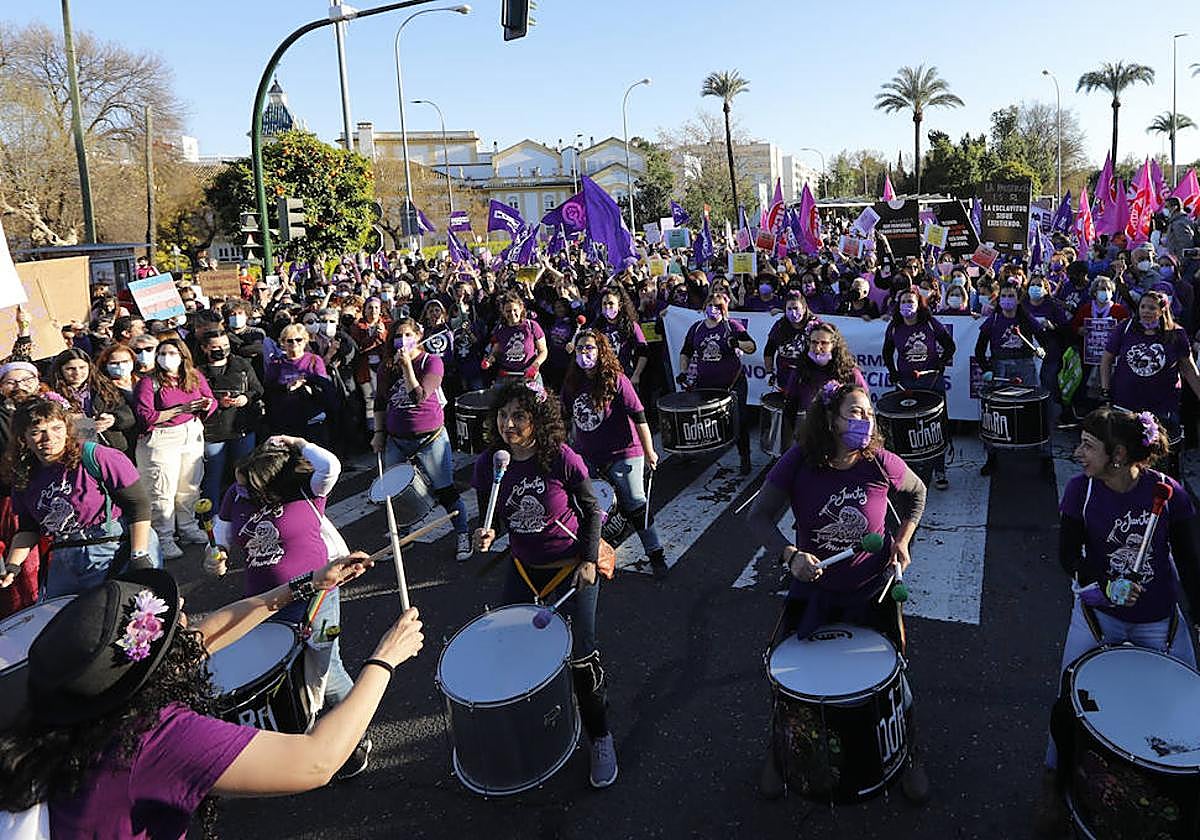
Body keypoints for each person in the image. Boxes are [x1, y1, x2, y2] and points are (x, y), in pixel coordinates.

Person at [0, 560, 423, 836]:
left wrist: (308, 585)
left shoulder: (81, 709)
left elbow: (204, 637)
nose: (184, 611)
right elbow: (317, 761)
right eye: (175, 622)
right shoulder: (152, 739)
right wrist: (385, 658)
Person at [748, 382, 928, 803]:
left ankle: (909, 751)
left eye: (868, 414)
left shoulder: (880, 462)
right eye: (854, 413)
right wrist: (790, 555)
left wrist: (903, 539)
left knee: (896, 674)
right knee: (788, 677)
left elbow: (917, 494)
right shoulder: (799, 461)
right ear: (830, 419)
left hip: (873, 591)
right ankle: (779, 751)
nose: (864, 422)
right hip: (816, 591)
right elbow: (758, 518)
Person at [1034, 407, 1200, 834]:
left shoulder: (1169, 494)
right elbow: (1068, 556)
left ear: (1119, 454)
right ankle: (1054, 779)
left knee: (1182, 708)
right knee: (1068, 702)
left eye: (1089, 445)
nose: (1078, 453)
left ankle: (1159, 792)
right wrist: (1105, 584)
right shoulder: (1080, 491)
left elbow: (1191, 565)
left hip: (1157, 622)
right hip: (1097, 618)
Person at [470, 379, 617, 789]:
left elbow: (591, 509)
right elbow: (492, 517)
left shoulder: (560, 458)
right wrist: (485, 533)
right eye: (503, 415)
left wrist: (589, 560)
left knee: (581, 657)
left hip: (570, 568)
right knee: (515, 651)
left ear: (538, 419)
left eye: (519, 415)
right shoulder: (490, 464)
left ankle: (600, 735)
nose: (509, 424)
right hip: (523, 569)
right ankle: (543, 727)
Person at [213, 434, 374, 778]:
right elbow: (220, 539)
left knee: (325, 672)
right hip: (265, 603)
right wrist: (215, 558)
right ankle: (309, 734)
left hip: (316, 596)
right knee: (288, 673)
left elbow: (330, 465)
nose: (241, 491)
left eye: (249, 488)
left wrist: (298, 443)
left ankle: (353, 738)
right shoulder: (234, 494)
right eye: (239, 484)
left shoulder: (305, 490)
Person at [0, 396, 158, 598]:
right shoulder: (24, 474)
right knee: (58, 620)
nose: (49, 438)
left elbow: (139, 505)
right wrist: (13, 566)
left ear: (67, 429)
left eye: (56, 428)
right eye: (37, 432)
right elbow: (28, 528)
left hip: (113, 546)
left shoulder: (96, 456)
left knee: (137, 619)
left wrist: (139, 555)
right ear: (24, 438)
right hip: (64, 555)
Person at [562, 330, 666, 578]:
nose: (585, 353)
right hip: (587, 454)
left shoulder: (616, 380)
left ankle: (656, 554)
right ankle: (593, 554)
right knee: (589, 507)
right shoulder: (572, 383)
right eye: (580, 349)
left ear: (601, 352)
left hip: (624, 452)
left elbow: (639, 415)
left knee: (636, 504)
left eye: (590, 348)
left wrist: (650, 451)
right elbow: (567, 419)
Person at [372, 318, 471, 562]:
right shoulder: (387, 366)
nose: (402, 340)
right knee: (395, 492)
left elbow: (418, 396)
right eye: (398, 335)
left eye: (407, 334)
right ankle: (403, 534)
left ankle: (462, 533)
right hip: (397, 438)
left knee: (445, 489)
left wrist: (407, 367)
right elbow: (380, 402)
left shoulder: (431, 362)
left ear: (418, 336)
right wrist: (378, 433)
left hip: (430, 438)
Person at [132, 337, 215, 561]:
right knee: (162, 490)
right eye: (162, 354)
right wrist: (181, 409)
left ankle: (188, 527)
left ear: (183, 356)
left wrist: (206, 405)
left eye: (172, 353)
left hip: (191, 432)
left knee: (189, 485)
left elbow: (210, 399)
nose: (166, 358)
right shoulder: (149, 382)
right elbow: (145, 416)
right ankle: (164, 536)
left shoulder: (194, 376)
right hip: (161, 438)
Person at [1100, 290, 1200, 450]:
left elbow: (1189, 369)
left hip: (1162, 406)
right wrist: (1105, 390)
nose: (1146, 311)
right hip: (1126, 404)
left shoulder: (1176, 334)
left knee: (1159, 454)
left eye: (1152, 308)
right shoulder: (1125, 328)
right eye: (1143, 307)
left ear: (1162, 311)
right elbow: (1106, 359)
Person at [881, 286, 956, 489]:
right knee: (907, 426)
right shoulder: (895, 327)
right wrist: (893, 371)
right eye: (903, 302)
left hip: (931, 381)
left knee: (935, 424)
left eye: (911, 301)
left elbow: (950, 345)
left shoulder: (930, 323)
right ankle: (906, 470)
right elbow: (887, 352)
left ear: (919, 304)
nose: (907, 305)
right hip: (906, 383)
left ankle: (939, 469)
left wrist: (941, 362)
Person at [974, 282, 1052, 476]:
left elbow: (1044, 340)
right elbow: (979, 350)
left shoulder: (1026, 319)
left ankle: (1042, 455)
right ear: (999, 300)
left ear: (1018, 299)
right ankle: (992, 457)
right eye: (1004, 296)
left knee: (1034, 409)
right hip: (1000, 367)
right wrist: (986, 369)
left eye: (1011, 296)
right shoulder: (992, 321)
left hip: (1025, 366)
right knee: (995, 412)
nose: (1007, 300)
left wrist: (1042, 350)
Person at [676, 291, 757, 474]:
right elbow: (686, 351)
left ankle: (744, 456)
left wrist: (736, 343)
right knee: (697, 419)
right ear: (704, 306)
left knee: (740, 421)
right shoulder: (696, 328)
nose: (714, 309)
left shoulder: (731, 326)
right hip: (706, 383)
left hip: (733, 383)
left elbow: (751, 347)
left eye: (718, 306)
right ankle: (691, 452)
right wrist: (683, 371)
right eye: (710, 305)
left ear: (724, 309)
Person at [197, 329, 263, 506]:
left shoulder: (241, 364)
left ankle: (245, 509)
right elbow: (195, 398)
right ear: (205, 348)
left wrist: (245, 398)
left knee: (244, 474)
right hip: (213, 432)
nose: (222, 349)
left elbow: (257, 389)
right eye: (216, 346)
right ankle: (212, 515)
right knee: (212, 477)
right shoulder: (198, 371)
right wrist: (218, 402)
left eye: (225, 345)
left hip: (241, 428)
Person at [49, 347, 135, 454]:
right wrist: (83, 424)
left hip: (112, 448)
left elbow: (128, 414)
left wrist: (113, 419)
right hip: (75, 450)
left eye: (82, 367)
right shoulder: (52, 395)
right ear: (60, 370)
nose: (77, 373)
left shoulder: (103, 387)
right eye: (70, 369)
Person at [263, 323, 335, 444]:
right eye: (290, 341)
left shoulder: (314, 360)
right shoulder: (276, 363)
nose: (294, 344)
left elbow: (326, 388)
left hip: (312, 417)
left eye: (298, 339)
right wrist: (287, 386)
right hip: (285, 418)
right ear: (283, 343)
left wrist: (307, 386)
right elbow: (268, 389)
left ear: (305, 340)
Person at [482, 291, 548, 386]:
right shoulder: (500, 329)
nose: (512, 314)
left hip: (529, 375)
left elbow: (543, 351)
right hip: (506, 376)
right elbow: (495, 352)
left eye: (515, 310)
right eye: (508, 311)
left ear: (521, 308)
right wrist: (490, 359)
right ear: (503, 312)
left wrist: (534, 366)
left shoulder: (532, 326)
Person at [591, 286, 649, 386]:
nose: (607, 307)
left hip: (625, 376)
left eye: (611, 303)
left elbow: (643, 352)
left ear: (620, 305)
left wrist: (636, 375)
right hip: (602, 377)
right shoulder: (597, 326)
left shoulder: (631, 326)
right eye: (604, 304)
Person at [763, 292, 819, 392]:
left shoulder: (815, 326)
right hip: (785, 378)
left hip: (809, 379)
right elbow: (769, 350)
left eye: (796, 308)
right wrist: (769, 372)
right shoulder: (780, 326)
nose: (793, 313)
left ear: (804, 308)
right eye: (789, 309)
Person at [351, 296, 391, 435]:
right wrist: (375, 336)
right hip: (365, 369)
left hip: (383, 367)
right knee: (370, 400)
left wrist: (383, 334)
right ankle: (372, 432)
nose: (373, 311)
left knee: (386, 397)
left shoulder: (387, 324)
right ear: (364, 310)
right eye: (370, 307)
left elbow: (390, 345)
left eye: (376, 308)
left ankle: (388, 428)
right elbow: (359, 347)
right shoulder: (358, 326)